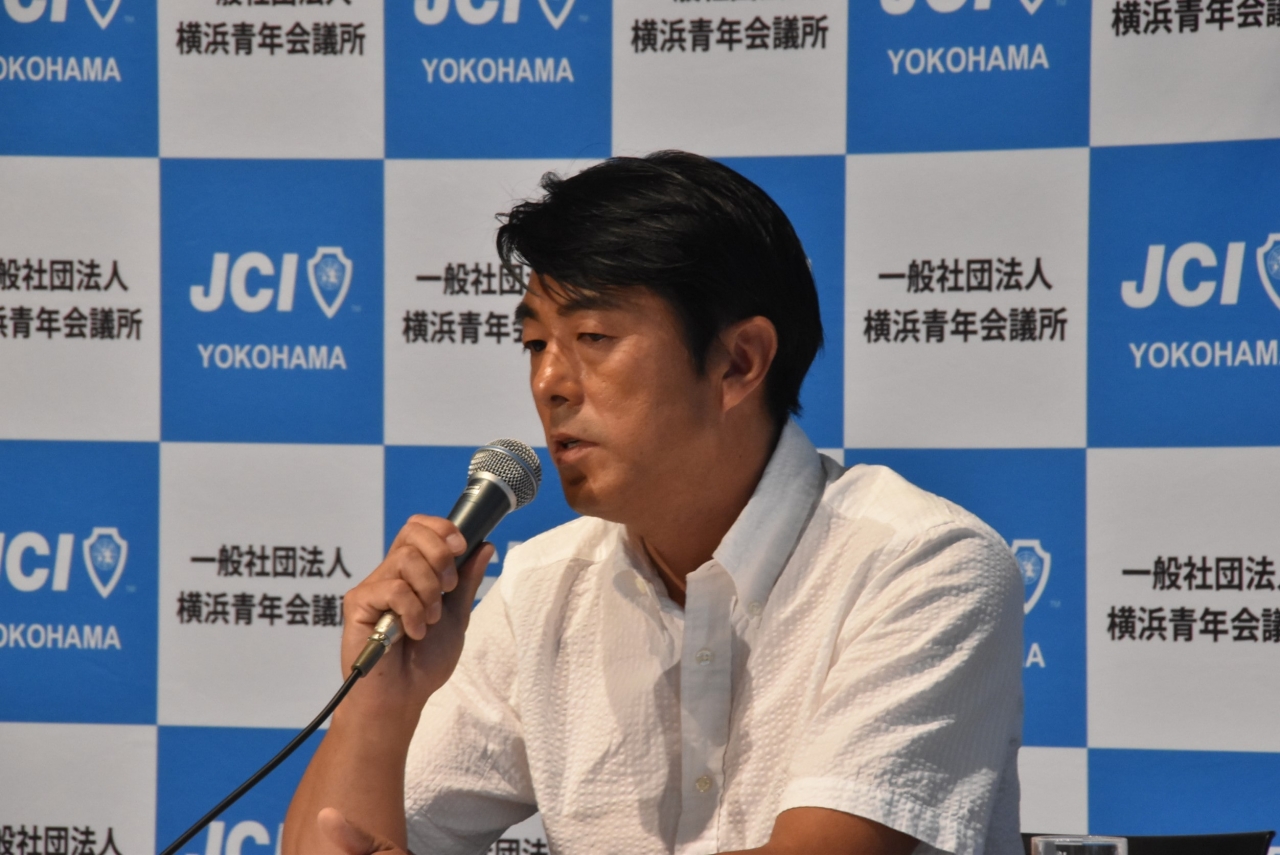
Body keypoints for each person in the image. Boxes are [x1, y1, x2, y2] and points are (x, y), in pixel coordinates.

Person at [283, 151, 1023, 855]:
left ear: (739, 363)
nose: (549, 383)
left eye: (592, 336)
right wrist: (380, 702)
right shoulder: (540, 587)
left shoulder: (923, 564)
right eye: (535, 343)